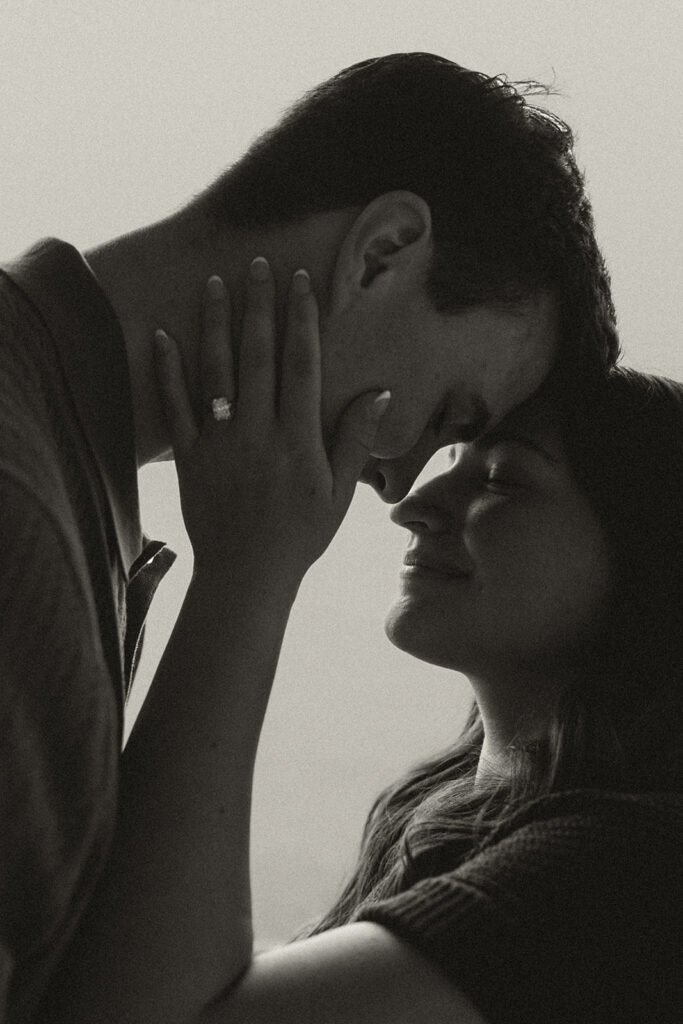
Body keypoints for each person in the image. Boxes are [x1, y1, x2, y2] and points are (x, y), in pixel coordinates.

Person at [0, 53, 618, 1022]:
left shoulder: (58, 486)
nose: (399, 481)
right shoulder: (22, 518)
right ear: (380, 253)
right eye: (445, 419)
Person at [43, 270, 681, 1024]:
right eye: (451, 462)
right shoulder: (449, 820)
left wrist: (249, 568)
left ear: (651, 561)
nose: (411, 507)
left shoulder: (628, 874)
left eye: (503, 479)